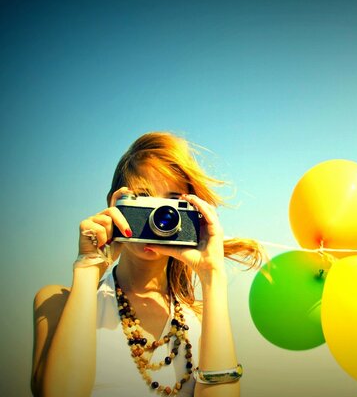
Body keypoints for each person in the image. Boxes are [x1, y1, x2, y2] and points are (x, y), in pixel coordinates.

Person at [31, 132, 264, 396]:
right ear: (115, 203)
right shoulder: (56, 303)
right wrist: (88, 265)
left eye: (172, 201)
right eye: (143, 197)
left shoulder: (200, 318)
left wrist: (212, 277)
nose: (159, 215)